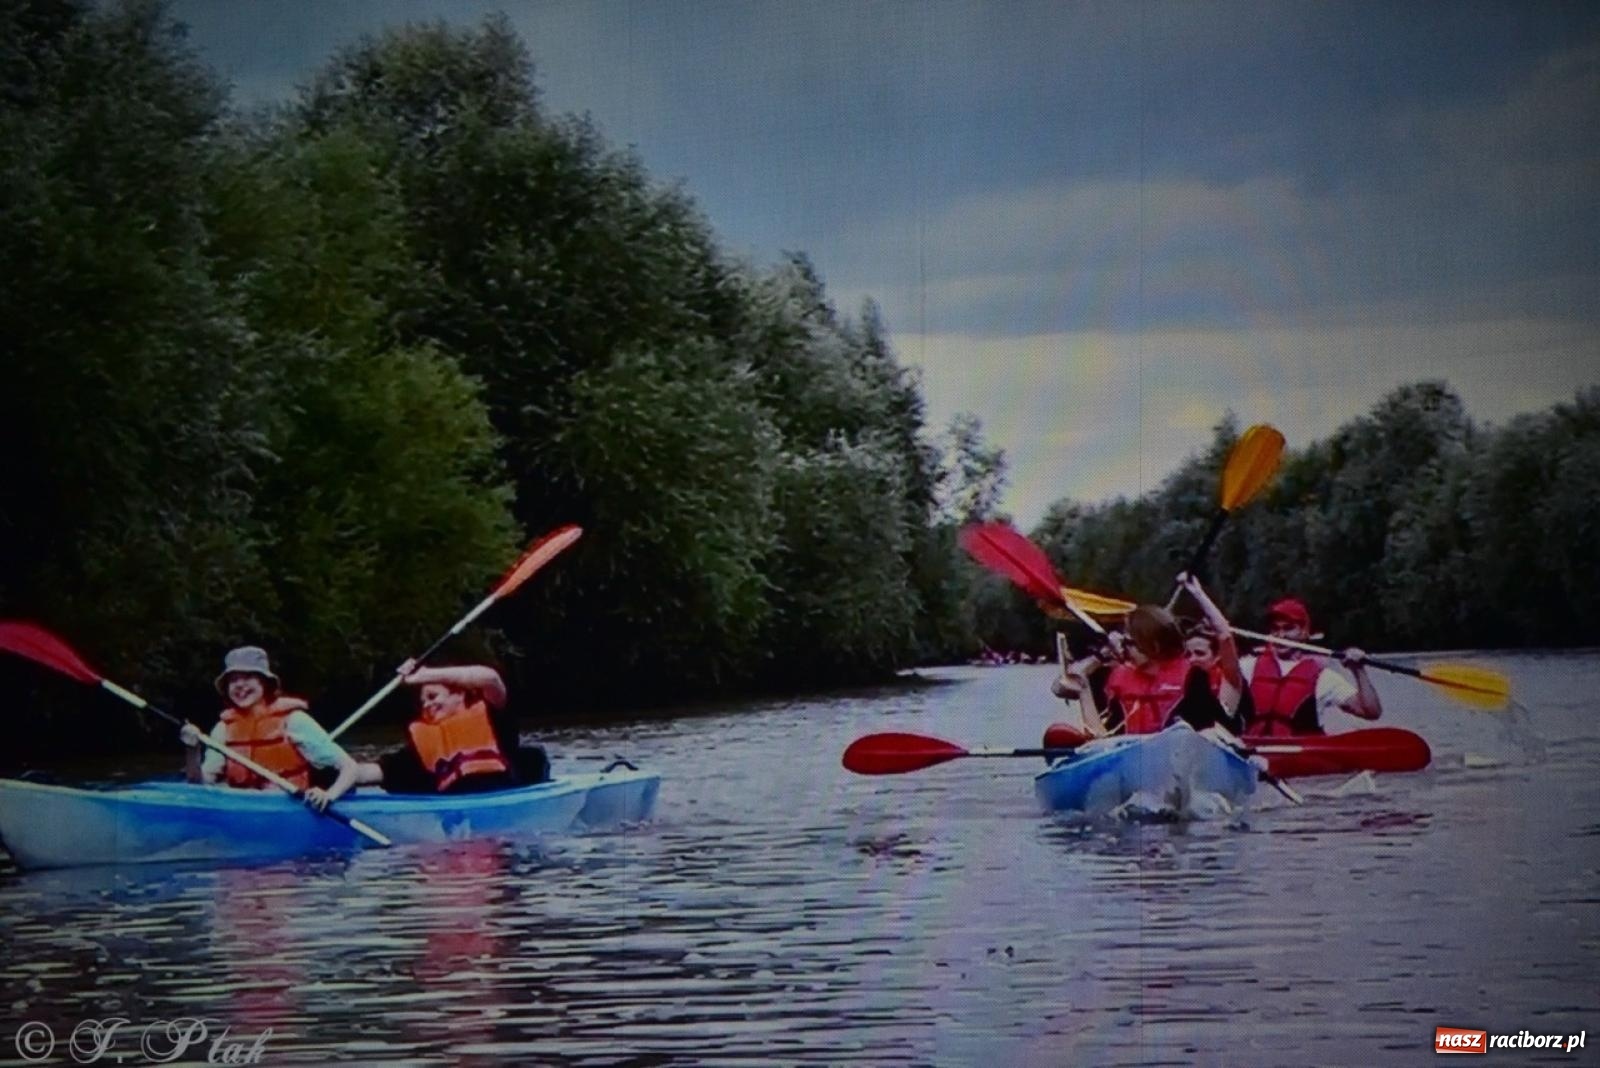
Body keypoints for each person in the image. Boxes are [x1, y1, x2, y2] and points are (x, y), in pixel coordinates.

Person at [329, 661, 548, 799]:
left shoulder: (493, 718)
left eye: (433, 696)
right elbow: (372, 773)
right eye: (422, 701)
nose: (426, 705)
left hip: (502, 797)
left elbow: (490, 678)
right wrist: (331, 771)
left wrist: (424, 675)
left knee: (532, 757)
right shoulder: (421, 750)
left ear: (460, 695)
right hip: (458, 813)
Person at [180, 646, 360, 812]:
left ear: (264, 683)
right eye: (233, 680)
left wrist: (328, 796)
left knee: (360, 774)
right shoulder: (222, 728)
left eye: (249, 677)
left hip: (289, 809)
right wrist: (192, 750)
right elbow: (199, 786)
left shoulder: (295, 721)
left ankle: (382, 771)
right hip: (244, 809)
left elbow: (350, 767)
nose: (240, 685)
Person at [1065, 597, 1241, 737]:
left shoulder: (1192, 677)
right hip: (1133, 763)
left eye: (1129, 643)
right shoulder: (1119, 678)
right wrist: (1084, 688)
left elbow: (1212, 730)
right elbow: (1104, 737)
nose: (1123, 648)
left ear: (1154, 645)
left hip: (1179, 764)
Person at [1239, 598, 1382, 738]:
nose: (1281, 635)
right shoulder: (1248, 666)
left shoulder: (1324, 678)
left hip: (1299, 757)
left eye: (1288, 628)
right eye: (1275, 629)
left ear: (1304, 632)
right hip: (1253, 754)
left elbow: (1370, 711)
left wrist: (1358, 671)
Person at [1176, 572, 1246, 718]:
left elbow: (1225, 635)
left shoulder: (1229, 681)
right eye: (1188, 654)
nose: (1192, 659)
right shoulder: (1180, 682)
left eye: (1200, 653)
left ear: (1216, 657)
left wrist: (1197, 593)